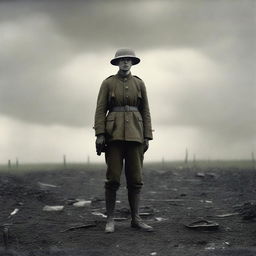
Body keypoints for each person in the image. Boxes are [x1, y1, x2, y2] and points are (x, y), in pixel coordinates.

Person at [94, 49, 153, 233]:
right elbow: (100, 109)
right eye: (122, 60)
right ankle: (110, 220)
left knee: (136, 179)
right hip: (113, 136)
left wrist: (147, 135)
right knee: (112, 178)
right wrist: (100, 134)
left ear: (132, 63)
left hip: (136, 134)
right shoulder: (108, 83)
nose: (125, 63)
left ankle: (135, 219)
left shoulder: (139, 84)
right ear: (117, 63)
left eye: (128, 60)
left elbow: (146, 110)